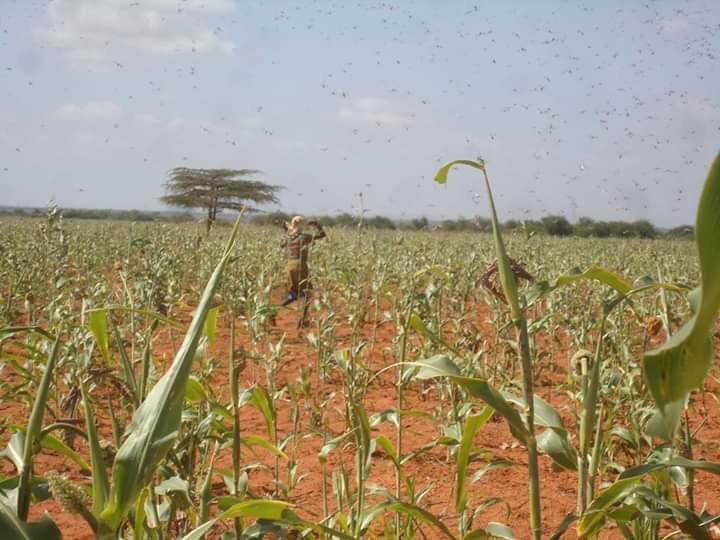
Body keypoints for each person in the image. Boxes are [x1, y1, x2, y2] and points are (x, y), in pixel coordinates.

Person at [280, 215, 326, 328]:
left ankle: (273, 310)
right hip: (300, 265)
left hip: (290, 266)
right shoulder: (304, 237)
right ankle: (303, 320)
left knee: (293, 295)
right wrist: (316, 224)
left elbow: (282, 245)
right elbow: (322, 235)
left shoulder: (288, 237)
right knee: (307, 294)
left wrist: (286, 230)